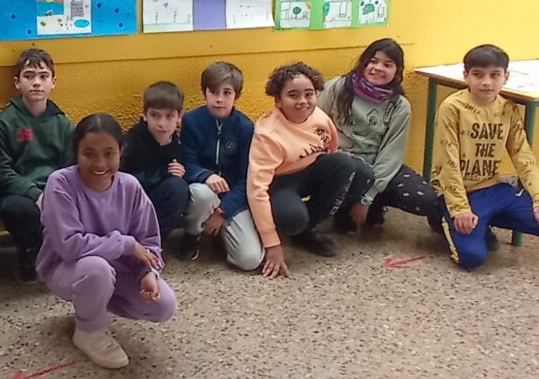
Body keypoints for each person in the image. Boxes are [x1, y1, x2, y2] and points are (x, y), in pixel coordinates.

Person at [37, 113, 176, 369]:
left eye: (109, 153)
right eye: (89, 154)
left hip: (116, 270)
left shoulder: (130, 186)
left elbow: (149, 241)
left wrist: (147, 272)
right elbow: (69, 246)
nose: (100, 163)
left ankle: (95, 303)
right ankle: (89, 330)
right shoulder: (60, 183)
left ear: (121, 152)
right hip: (67, 269)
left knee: (164, 305)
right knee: (97, 269)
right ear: (76, 152)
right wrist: (125, 244)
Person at [247, 62, 374, 279]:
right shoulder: (267, 134)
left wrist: (338, 167)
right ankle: (292, 224)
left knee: (358, 171)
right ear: (278, 100)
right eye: (293, 95)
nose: (303, 101)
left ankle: (309, 227)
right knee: (292, 219)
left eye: (309, 94)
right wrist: (272, 244)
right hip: (281, 182)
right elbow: (256, 190)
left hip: (311, 170)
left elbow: (331, 147)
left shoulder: (319, 116)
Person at [432, 44, 539, 270]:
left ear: (506, 77)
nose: (486, 82)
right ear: (466, 76)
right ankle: (445, 217)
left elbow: (524, 158)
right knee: (473, 258)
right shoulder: (452, 108)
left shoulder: (508, 109)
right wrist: (459, 208)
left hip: (493, 189)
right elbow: (447, 163)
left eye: (494, 75)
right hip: (460, 192)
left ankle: (485, 219)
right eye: (478, 75)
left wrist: (538, 198)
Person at [317, 39, 440, 232]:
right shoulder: (337, 87)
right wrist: (331, 153)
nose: (378, 68)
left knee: (425, 199)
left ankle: (374, 202)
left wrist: (368, 198)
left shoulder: (399, 106)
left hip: (376, 166)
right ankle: (346, 206)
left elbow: (391, 154)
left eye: (387, 65)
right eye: (373, 61)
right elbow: (314, 123)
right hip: (342, 162)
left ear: (397, 71)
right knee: (346, 221)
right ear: (363, 62)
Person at [0, 48, 73, 283]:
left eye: (43, 76)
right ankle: (30, 250)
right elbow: (1, 169)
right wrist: (35, 194)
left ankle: (59, 249)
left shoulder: (64, 124)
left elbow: (71, 166)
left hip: (56, 189)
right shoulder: (3, 123)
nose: (36, 83)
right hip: (21, 193)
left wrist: (56, 193)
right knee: (15, 209)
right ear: (17, 82)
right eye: (28, 76)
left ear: (53, 82)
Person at [179, 62, 263, 271]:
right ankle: (191, 235)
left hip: (231, 198)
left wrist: (223, 212)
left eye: (227, 93)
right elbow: (186, 162)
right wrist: (205, 175)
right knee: (202, 195)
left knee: (250, 260)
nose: (219, 99)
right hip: (203, 190)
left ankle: (221, 233)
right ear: (204, 92)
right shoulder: (191, 121)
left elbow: (247, 178)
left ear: (237, 96)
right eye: (213, 92)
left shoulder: (245, 127)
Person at [120, 81, 189, 242]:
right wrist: (165, 173)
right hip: (130, 204)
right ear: (145, 115)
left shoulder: (176, 142)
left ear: (179, 117)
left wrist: (179, 172)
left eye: (169, 116)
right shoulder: (132, 141)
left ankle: (154, 242)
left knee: (178, 188)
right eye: (155, 115)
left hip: (156, 203)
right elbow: (123, 180)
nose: (161, 123)